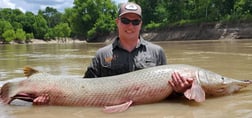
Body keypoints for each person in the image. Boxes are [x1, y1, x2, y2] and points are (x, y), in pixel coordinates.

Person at [32, 2, 193, 105]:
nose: (130, 25)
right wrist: (49, 99)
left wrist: (179, 91)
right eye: (125, 20)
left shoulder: (157, 52)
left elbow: (167, 97)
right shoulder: (102, 55)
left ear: (141, 24)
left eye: (135, 21)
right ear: (117, 22)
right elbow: (83, 91)